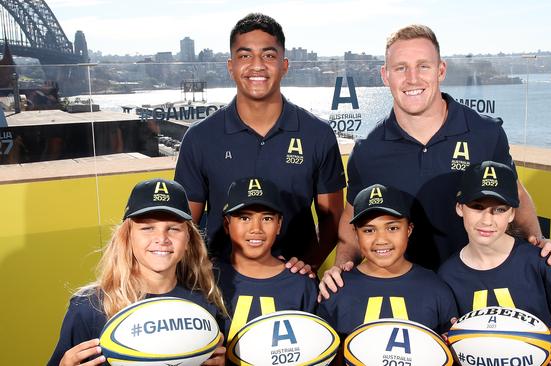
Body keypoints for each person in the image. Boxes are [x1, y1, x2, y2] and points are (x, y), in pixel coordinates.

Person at [320, 24, 551, 298]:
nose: (412, 79)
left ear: (440, 70)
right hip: (406, 295)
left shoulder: (485, 133)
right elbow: (352, 216)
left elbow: (515, 195)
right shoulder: (368, 151)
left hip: (476, 290)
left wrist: (539, 243)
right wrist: (342, 266)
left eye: (423, 66)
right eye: (401, 68)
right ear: (385, 75)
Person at [175, 13, 345, 273]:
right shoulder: (200, 138)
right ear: (230, 66)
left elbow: (332, 221)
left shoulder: (318, 134)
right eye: (245, 56)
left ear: (284, 65)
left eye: (268, 55)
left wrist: (308, 265)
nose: (257, 66)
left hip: (295, 289)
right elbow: (185, 226)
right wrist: (203, 274)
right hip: (223, 288)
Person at [48, 178, 229, 366]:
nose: (162, 238)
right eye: (147, 228)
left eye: (173, 228)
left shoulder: (204, 305)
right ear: (128, 237)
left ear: (188, 240)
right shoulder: (90, 308)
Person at [437, 161, 551, 366]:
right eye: (477, 207)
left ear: (512, 213)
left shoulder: (540, 260)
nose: (487, 221)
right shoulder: (447, 275)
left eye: (499, 209)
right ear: (460, 208)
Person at [317, 184, 457, 356]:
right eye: (369, 230)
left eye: (392, 228)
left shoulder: (435, 287)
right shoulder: (336, 288)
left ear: (409, 229)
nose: (381, 240)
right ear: (355, 233)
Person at [216, 177, 318, 344]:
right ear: (227, 225)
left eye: (267, 218)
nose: (256, 229)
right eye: (244, 218)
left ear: (279, 224)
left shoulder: (301, 284)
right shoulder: (208, 279)